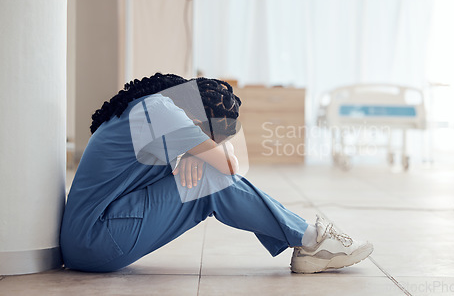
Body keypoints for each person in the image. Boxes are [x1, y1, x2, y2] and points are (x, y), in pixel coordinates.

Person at [60, 73, 373, 274]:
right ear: (197, 120)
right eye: (212, 134)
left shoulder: (152, 107)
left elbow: (224, 157)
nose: (213, 141)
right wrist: (207, 155)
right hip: (97, 240)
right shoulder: (161, 113)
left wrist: (200, 154)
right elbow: (228, 167)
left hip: (91, 239)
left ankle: (306, 240)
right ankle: (312, 240)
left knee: (207, 176)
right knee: (210, 182)